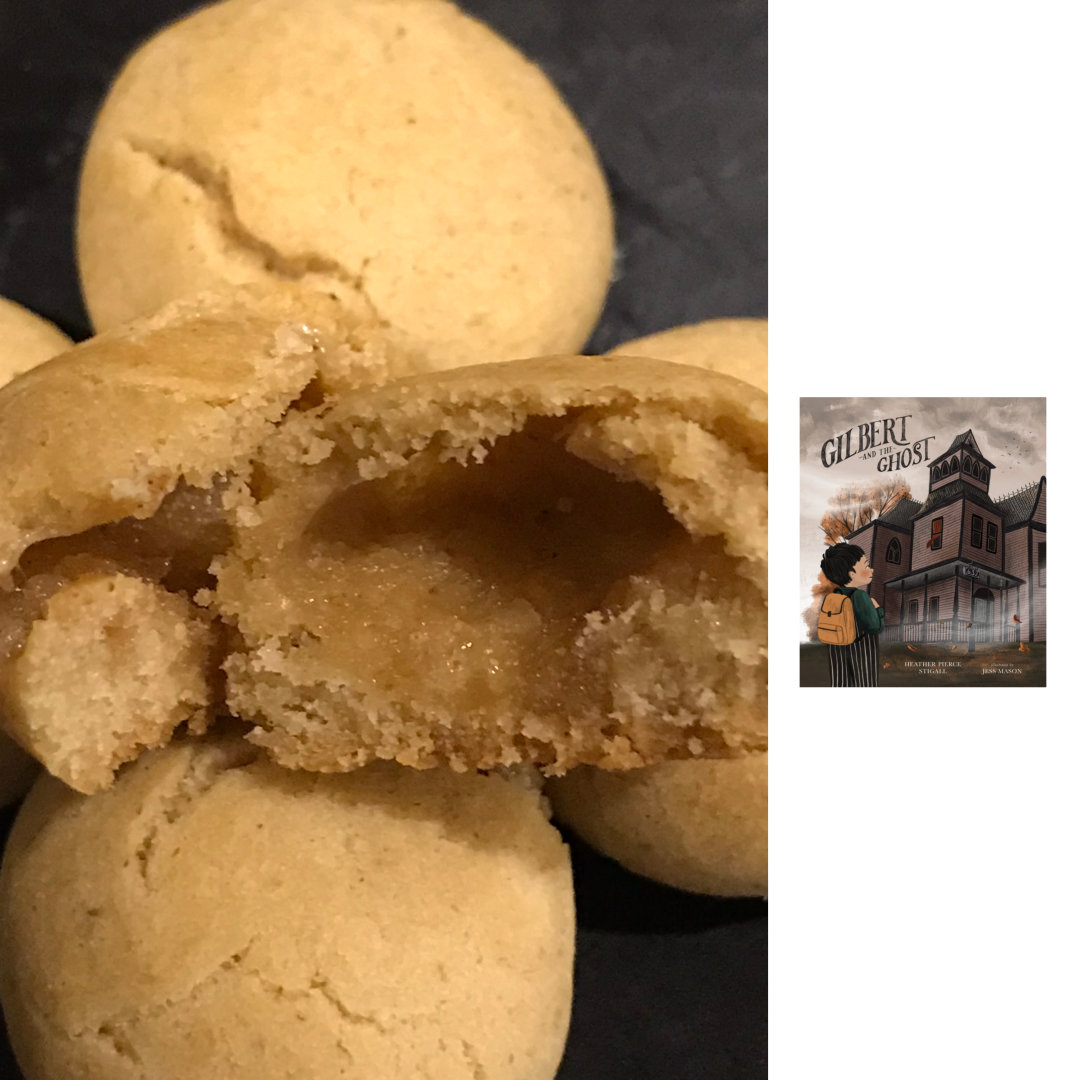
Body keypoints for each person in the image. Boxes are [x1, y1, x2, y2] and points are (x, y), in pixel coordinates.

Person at [820, 543, 885, 686]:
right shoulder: (861, 596)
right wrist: (878, 609)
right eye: (866, 566)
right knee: (864, 682)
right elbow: (874, 628)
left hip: (837, 649)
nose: (871, 570)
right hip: (861, 652)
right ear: (852, 574)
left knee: (840, 682)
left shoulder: (833, 596)